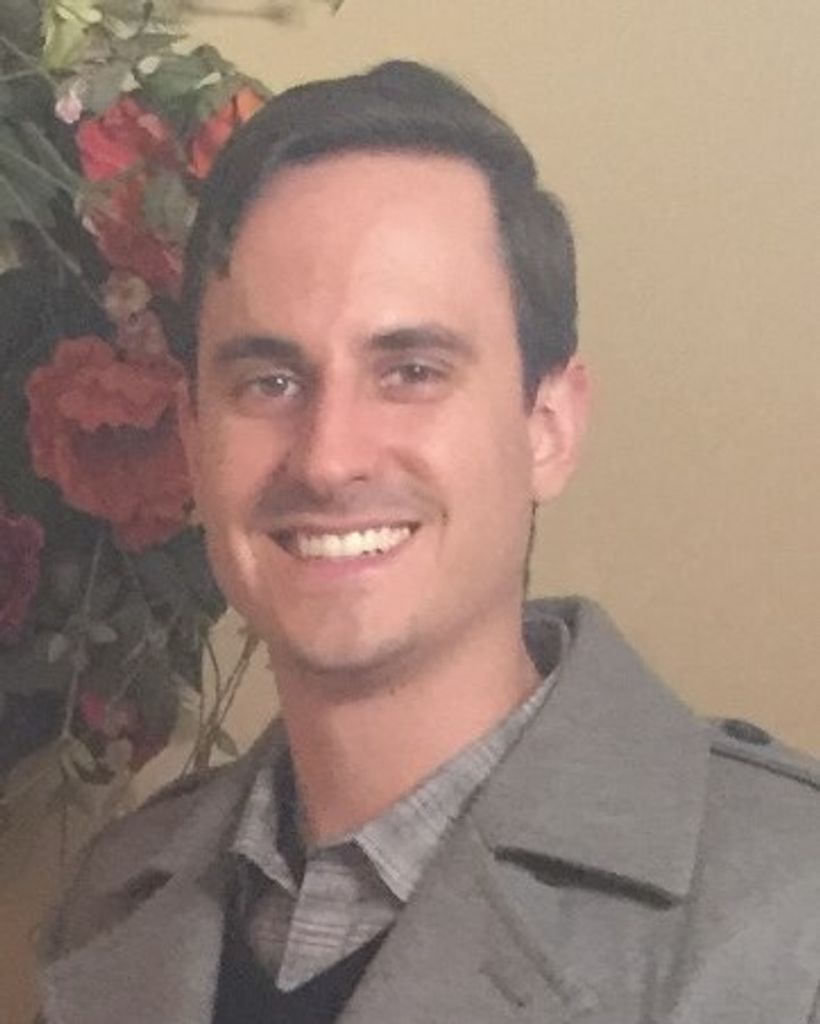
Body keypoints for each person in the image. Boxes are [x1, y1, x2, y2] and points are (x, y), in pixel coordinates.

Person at [38, 61, 819, 1024]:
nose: (328, 459)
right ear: (196, 445)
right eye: (269, 381)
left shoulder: (791, 915)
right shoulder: (113, 899)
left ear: (548, 427)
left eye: (410, 370)